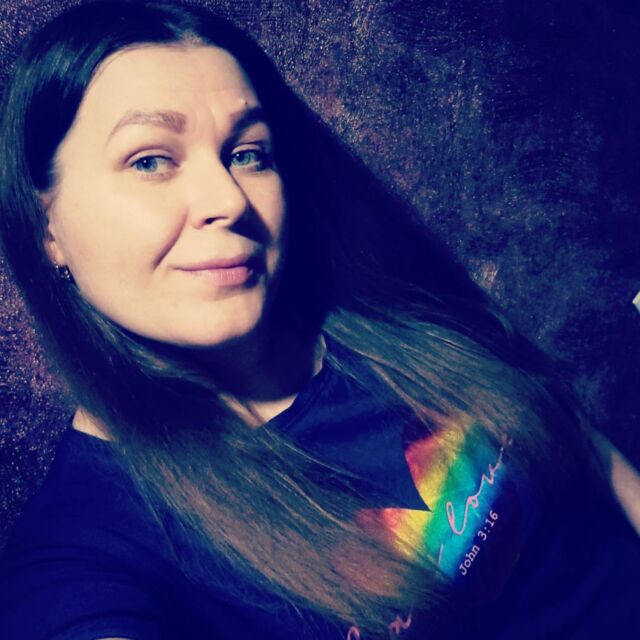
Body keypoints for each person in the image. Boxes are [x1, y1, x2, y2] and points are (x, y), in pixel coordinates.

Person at [0, 1, 638, 638]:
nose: (228, 199)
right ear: (46, 225)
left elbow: (575, 439)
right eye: (150, 161)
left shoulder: (379, 314)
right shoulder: (85, 554)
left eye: (247, 153)